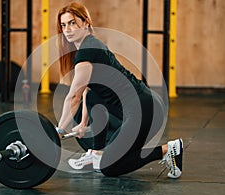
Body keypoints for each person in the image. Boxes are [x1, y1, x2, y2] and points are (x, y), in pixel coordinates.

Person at [55, 2, 183, 179]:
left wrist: (59, 130)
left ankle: (167, 150)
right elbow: (86, 92)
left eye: (72, 23)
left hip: (145, 110)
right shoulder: (88, 46)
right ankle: (96, 153)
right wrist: (83, 124)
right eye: (63, 25)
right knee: (92, 97)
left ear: (85, 23)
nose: (67, 29)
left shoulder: (87, 50)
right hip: (135, 108)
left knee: (110, 167)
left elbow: (74, 96)